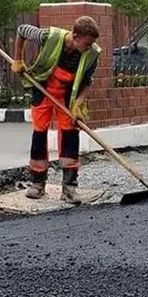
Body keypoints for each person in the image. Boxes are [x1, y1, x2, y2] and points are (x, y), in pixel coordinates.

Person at [11, 16, 101, 203]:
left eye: (91, 43)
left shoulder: (92, 53)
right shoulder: (49, 37)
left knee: (70, 135)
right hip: (43, 88)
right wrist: (18, 59)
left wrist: (78, 103)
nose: (89, 47)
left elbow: (87, 81)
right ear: (75, 37)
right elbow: (21, 30)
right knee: (39, 133)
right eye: (86, 43)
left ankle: (69, 189)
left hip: (67, 95)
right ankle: (37, 184)